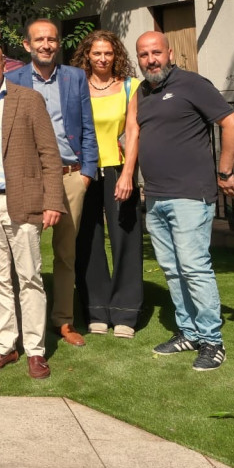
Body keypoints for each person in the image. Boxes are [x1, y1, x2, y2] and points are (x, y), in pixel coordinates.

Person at [0, 43, 66, 380]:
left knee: (30, 277)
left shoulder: (28, 99)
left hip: (22, 200)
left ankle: (35, 349)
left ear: (3, 65)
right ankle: (4, 345)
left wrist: (53, 201)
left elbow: (50, 154)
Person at [135, 31, 234, 371]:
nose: (150, 60)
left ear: (170, 53)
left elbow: (232, 123)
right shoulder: (143, 92)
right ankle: (189, 331)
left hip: (190, 195)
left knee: (194, 268)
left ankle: (212, 340)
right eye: (143, 55)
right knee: (173, 269)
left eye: (156, 52)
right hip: (155, 196)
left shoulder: (192, 84)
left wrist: (224, 172)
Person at [6, 19, 98, 349]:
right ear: (27, 45)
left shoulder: (75, 77)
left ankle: (63, 320)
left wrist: (87, 172)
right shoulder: (12, 80)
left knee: (65, 253)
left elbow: (87, 128)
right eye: (39, 40)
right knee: (23, 254)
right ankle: (22, 323)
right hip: (30, 178)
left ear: (58, 44)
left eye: (52, 39)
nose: (46, 44)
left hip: (70, 176)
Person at [70, 31, 143, 338]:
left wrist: (127, 173)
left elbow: (134, 130)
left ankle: (125, 312)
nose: (102, 59)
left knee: (125, 237)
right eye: (96, 53)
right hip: (84, 170)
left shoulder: (130, 86)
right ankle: (96, 310)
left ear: (116, 56)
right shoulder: (76, 85)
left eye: (108, 54)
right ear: (87, 55)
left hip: (117, 169)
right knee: (87, 239)